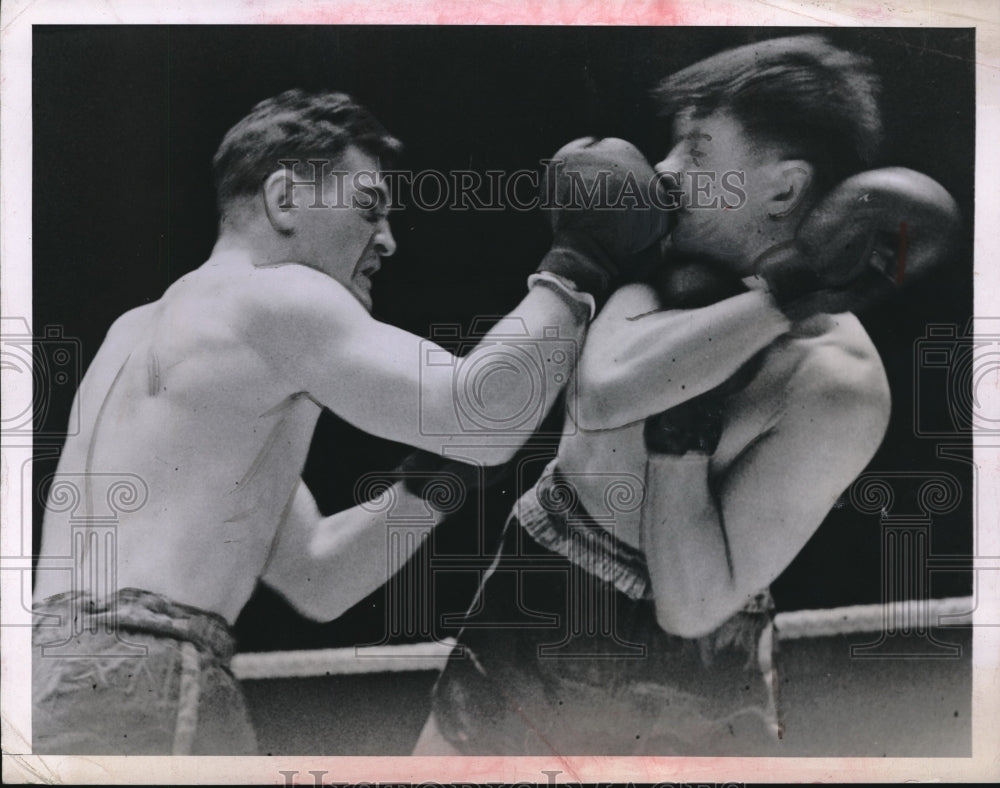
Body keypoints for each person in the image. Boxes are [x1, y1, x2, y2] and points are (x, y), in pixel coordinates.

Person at [31, 89, 668, 754]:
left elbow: (318, 575)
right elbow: (481, 414)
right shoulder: (274, 297)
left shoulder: (138, 335)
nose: (387, 240)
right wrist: (581, 257)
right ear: (285, 200)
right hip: (151, 674)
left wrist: (440, 475)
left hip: (47, 675)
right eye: (369, 207)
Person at [414, 35, 960, 755]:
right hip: (529, 600)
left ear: (785, 187)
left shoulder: (836, 381)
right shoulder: (660, 265)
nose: (664, 172)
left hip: (685, 686)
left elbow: (693, 604)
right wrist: (790, 287)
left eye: (697, 152)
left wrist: (687, 428)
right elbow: (605, 394)